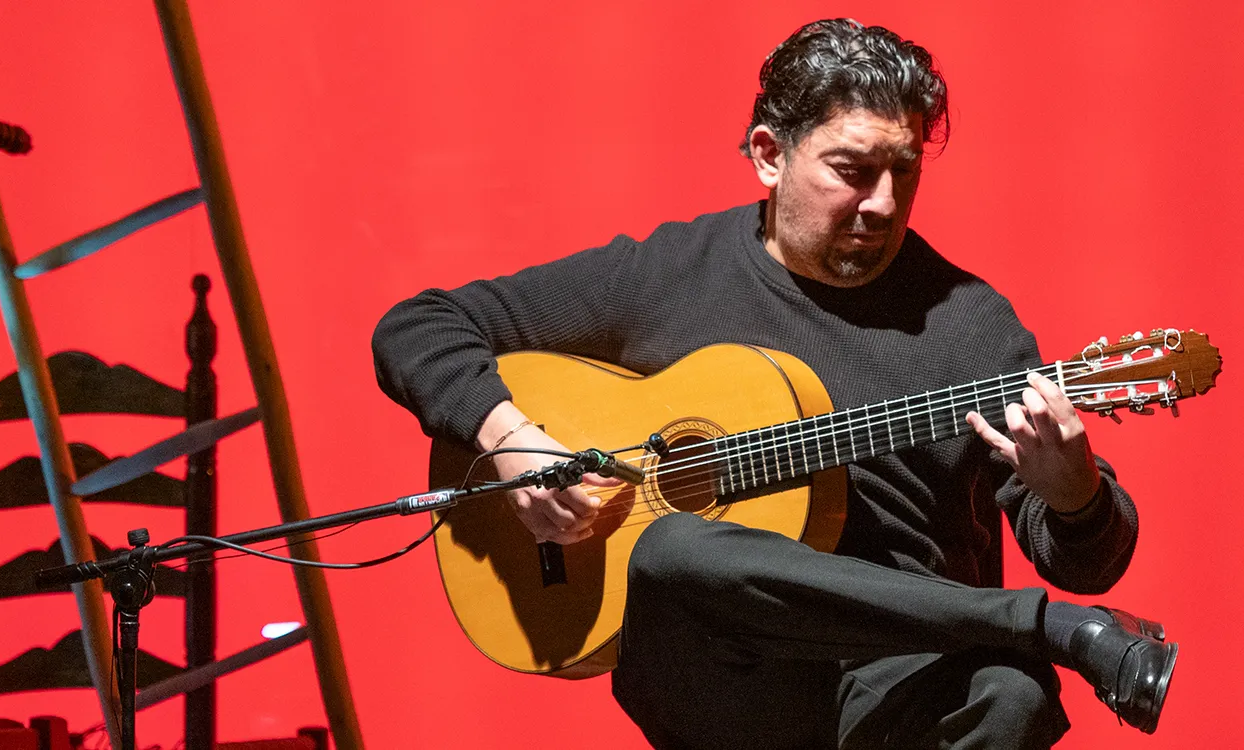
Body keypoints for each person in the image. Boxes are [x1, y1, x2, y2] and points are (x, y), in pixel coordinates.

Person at [371, 18, 1176, 749]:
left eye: (903, 171)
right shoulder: (669, 276)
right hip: (724, 682)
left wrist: (1074, 497)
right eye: (852, 171)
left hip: (903, 676)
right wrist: (514, 445)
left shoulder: (973, 328)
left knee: (1012, 695)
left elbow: (1088, 556)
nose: (884, 203)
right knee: (675, 547)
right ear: (768, 155)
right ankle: (1049, 629)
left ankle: (1035, 637)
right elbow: (416, 327)